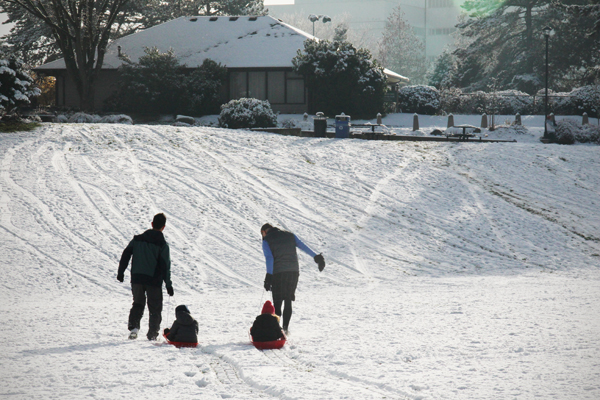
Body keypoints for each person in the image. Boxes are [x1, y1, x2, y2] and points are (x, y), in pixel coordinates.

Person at [117, 213, 174, 341]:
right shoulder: (162, 245)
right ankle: (152, 335)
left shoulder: (137, 239)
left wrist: (121, 272)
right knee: (155, 307)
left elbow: (126, 254)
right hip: (153, 281)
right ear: (163, 227)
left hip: (136, 278)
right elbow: (165, 267)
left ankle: (134, 329)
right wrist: (168, 285)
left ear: (152, 224)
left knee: (137, 303)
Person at [260, 223, 325, 333]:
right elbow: (303, 246)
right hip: (293, 272)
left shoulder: (267, 240)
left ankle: (277, 329)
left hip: (278, 273)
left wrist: (269, 276)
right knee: (288, 300)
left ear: (264, 232)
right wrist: (316, 257)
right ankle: (285, 329)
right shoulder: (290, 235)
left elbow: (269, 258)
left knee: (277, 302)